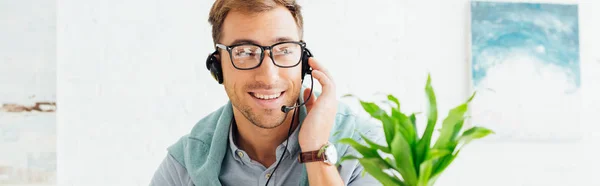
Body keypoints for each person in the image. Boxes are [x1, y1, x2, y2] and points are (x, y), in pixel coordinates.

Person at [150, 0, 384, 185]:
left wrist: (315, 149)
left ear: (304, 62)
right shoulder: (183, 167)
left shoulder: (366, 148)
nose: (268, 76)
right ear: (217, 67)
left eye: (283, 50)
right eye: (244, 52)